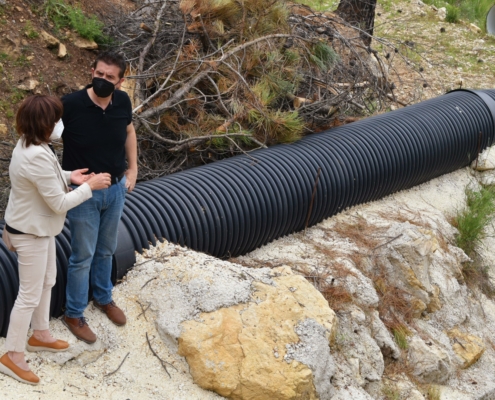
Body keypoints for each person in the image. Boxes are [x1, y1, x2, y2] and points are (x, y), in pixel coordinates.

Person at [0, 95, 111, 385]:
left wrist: (69, 175)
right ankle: (12, 356)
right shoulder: (34, 153)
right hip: (31, 233)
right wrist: (91, 186)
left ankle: (40, 335)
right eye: (55, 120)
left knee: (48, 280)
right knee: (28, 294)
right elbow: (59, 204)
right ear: (43, 124)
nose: (59, 124)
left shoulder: (32, 143)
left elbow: (46, 175)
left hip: (38, 227)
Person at [61, 50, 138, 344]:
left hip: (116, 189)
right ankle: (74, 313)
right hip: (84, 195)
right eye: (99, 74)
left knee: (106, 249)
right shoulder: (70, 105)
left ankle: (103, 298)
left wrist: (132, 170)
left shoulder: (123, 102)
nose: (102, 80)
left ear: (120, 81)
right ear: (92, 71)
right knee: (82, 255)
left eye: (109, 77)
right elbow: (40, 141)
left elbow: (129, 131)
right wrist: (65, 178)